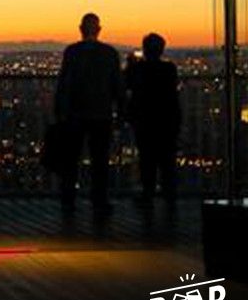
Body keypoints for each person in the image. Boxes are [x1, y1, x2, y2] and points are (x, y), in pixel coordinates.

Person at [53, 12, 123, 218]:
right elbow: (117, 85)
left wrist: (60, 111)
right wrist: (121, 112)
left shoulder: (72, 52)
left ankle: (68, 201)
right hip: (101, 114)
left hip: (75, 115)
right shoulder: (109, 53)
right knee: (100, 161)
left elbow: (64, 84)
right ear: (99, 30)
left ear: (81, 29)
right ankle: (99, 202)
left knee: (71, 160)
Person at [125, 33, 181, 206]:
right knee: (167, 161)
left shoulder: (138, 69)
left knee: (147, 160)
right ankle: (170, 197)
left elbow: (126, 83)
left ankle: (148, 195)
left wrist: (130, 65)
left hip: (144, 120)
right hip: (167, 119)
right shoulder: (169, 68)